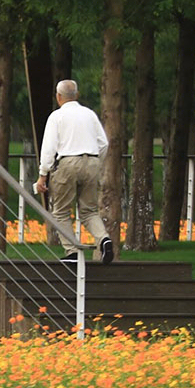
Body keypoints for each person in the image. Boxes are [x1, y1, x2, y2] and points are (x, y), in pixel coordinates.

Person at [35, 79, 114, 264]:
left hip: (68, 162)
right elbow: (104, 143)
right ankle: (104, 239)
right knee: (89, 211)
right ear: (76, 95)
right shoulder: (90, 114)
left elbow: (48, 148)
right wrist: (95, 163)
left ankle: (72, 253)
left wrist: (42, 176)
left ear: (58, 96)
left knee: (60, 211)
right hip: (92, 161)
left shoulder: (56, 116)